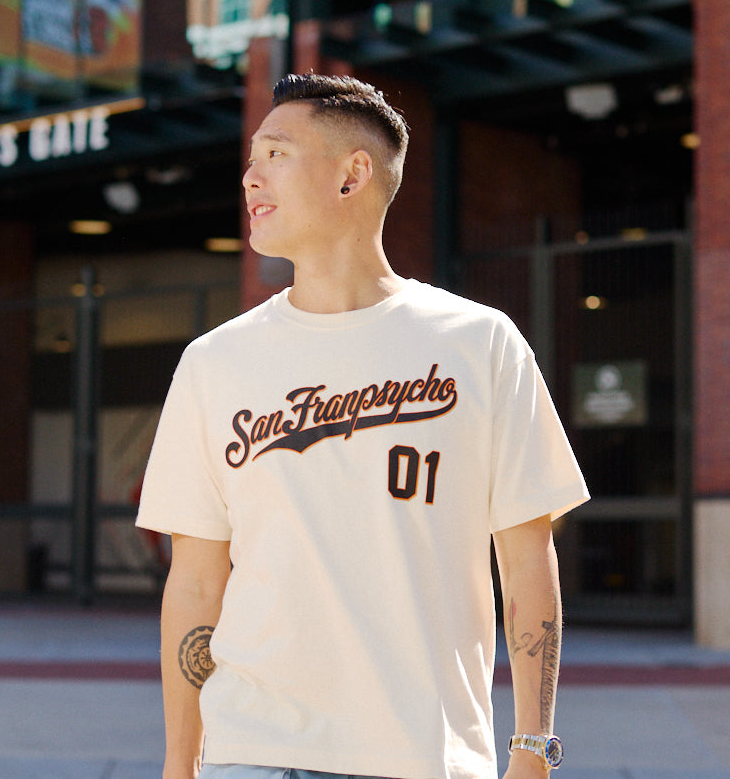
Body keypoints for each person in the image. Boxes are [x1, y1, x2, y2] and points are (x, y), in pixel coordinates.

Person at [136, 73, 589, 779]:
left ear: (353, 175)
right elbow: (195, 583)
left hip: (426, 756)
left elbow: (527, 561)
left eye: (277, 153)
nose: (251, 176)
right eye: (252, 158)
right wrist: (177, 762)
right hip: (252, 754)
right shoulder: (214, 362)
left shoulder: (479, 343)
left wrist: (533, 751)